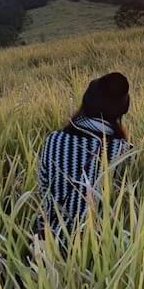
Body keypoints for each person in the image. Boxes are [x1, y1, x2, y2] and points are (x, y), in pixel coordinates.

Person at [36, 72, 132, 236]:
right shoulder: (123, 151)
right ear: (122, 109)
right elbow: (126, 206)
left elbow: (43, 190)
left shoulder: (54, 140)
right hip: (101, 246)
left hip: (50, 242)